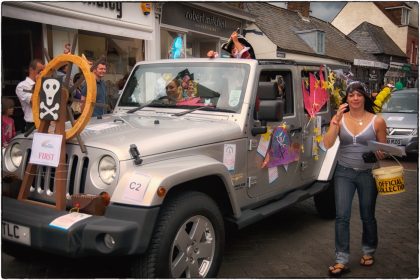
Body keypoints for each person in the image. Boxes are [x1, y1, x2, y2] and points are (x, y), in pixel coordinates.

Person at [323, 81, 387, 277]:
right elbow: (327, 144)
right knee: (342, 216)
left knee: (367, 215)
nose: (355, 98)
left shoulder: (377, 121)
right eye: (351, 95)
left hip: (368, 173)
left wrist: (378, 153)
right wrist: (335, 121)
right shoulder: (340, 119)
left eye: (359, 94)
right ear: (347, 99)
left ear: (364, 97)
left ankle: (369, 250)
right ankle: (341, 259)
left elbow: (383, 150)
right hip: (344, 172)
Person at [15, 58, 45, 132]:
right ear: (31, 70)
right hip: (32, 124)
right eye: (39, 71)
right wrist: (38, 83)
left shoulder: (44, 84)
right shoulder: (22, 86)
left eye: (43, 71)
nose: (42, 73)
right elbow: (34, 101)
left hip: (46, 122)